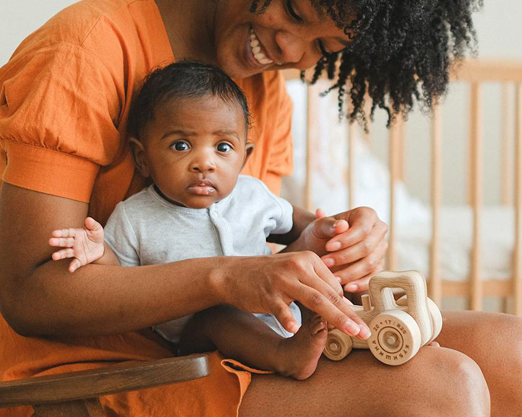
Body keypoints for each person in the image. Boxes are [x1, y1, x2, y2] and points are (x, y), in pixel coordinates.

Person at [0, 0, 522, 416]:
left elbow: (251, 241)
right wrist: (225, 277)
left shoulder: (260, 92)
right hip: (82, 378)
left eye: (324, 46)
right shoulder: (86, 49)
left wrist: (328, 239)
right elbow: (32, 292)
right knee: (443, 386)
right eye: (291, 7)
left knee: (516, 350)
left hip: (233, 348)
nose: (291, 50)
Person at [48, 61, 339, 380]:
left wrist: (325, 228)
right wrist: (98, 252)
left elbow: (297, 225)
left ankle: (333, 329)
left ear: (244, 157)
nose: (204, 163)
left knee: (311, 269)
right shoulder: (135, 216)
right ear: (142, 158)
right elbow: (117, 279)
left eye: (223, 147)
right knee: (218, 316)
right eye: (181, 145)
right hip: (196, 335)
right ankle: (286, 356)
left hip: (278, 314)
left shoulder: (253, 194)